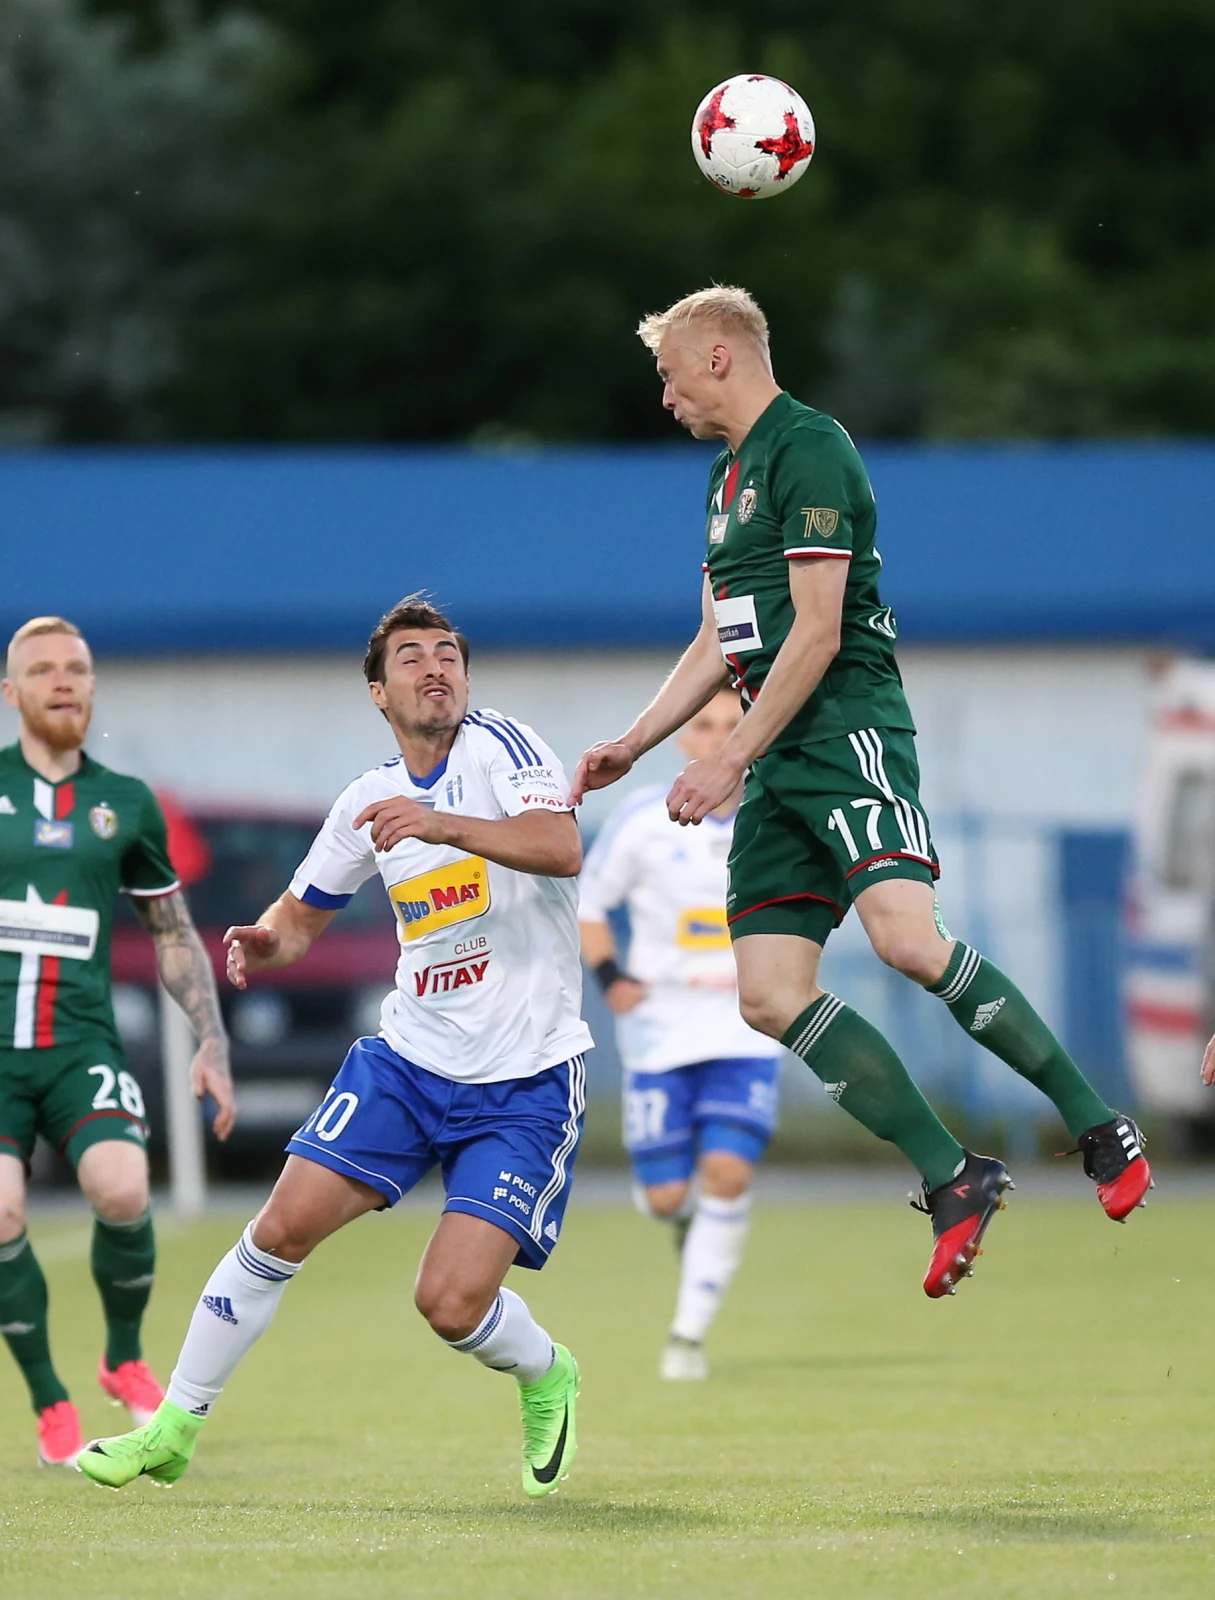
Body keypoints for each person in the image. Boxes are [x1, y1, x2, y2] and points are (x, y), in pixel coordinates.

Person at [573, 286, 1152, 1299]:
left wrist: (727, 758)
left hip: (845, 735)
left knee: (907, 939)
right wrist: (636, 740)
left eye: (669, 377)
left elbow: (819, 632)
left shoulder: (811, 448)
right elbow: (718, 639)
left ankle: (1098, 1120)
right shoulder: (723, 477)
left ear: (719, 358)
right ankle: (953, 1174)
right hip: (779, 762)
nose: (665, 399)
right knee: (768, 993)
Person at [79, 596, 590, 1498]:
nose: (435, 668)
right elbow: (300, 916)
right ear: (376, 691)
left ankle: (546, 1370)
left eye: (447, 655)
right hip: (407, 1063)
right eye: (411, 658)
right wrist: (266, 941)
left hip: (525, 1078)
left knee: (449, 1304)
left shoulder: (504, 748)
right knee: (277, 1229)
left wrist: (441, 825)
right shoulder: (365, 800)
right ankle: (173, 1428)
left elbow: (557, 846)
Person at [0, 617, 236, 1466]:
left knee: (125, 1188)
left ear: (93, 687)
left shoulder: (125, 804)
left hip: (78, 1044)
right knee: (1, 1209)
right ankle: (48, 1398)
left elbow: (172, 933)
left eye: (78, 669)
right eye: (43, 670)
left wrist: (209, 1040)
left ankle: (123, 1355)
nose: (63, 681)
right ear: (11, 692)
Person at [579, 687, 781, 1379]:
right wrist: (612, 980)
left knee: (726, 1171)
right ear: (682, 740)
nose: (721, 737)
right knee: (667, 1195)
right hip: (660, 1028)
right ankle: (682, 1222)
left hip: (744, 1022)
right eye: (706, 725)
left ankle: (686, 1335)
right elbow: (591, 907)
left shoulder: (776, 819)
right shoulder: (641, 822)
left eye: (736, 725)